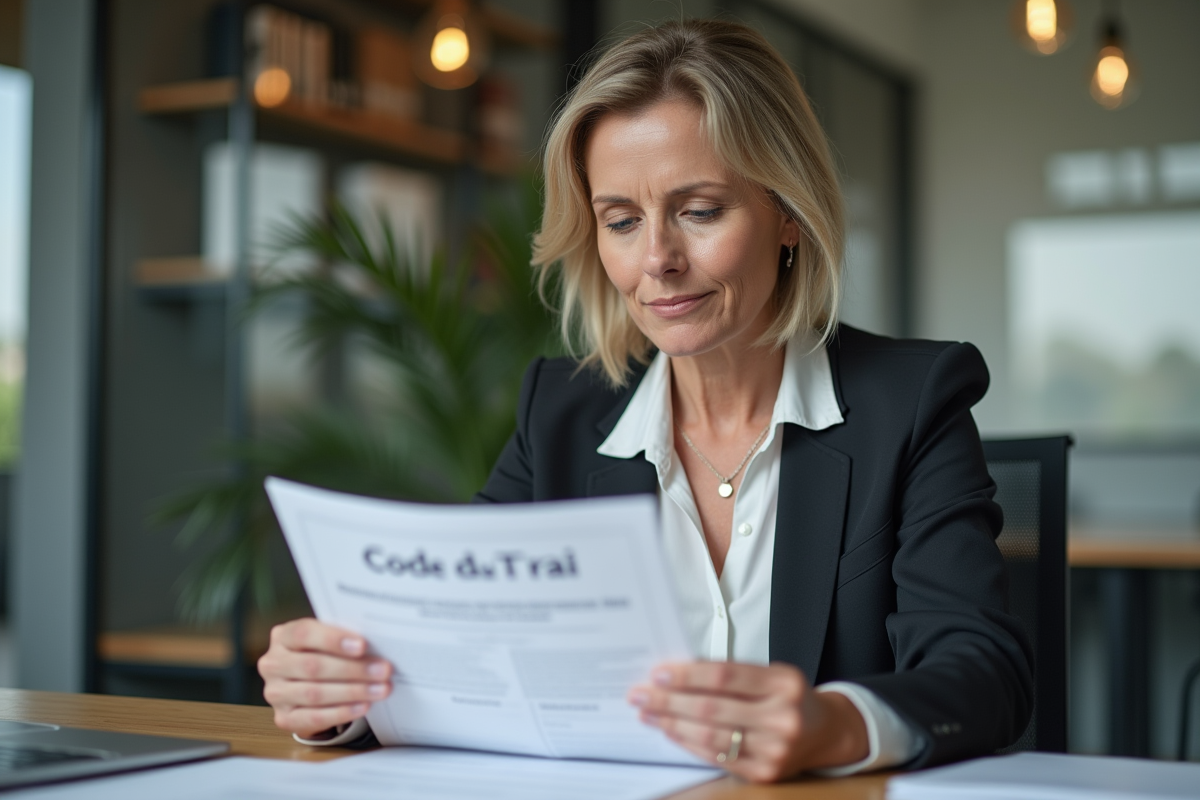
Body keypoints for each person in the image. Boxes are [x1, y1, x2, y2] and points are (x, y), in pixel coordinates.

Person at [256, 18, 1033, 782]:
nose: (656, 259)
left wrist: (833, 724)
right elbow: (462, 648)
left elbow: (984, 673)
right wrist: (342, 695)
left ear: (788, 213)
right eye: (621, 221)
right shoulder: (556, 414)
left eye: (700, 212)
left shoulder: (913, 402)